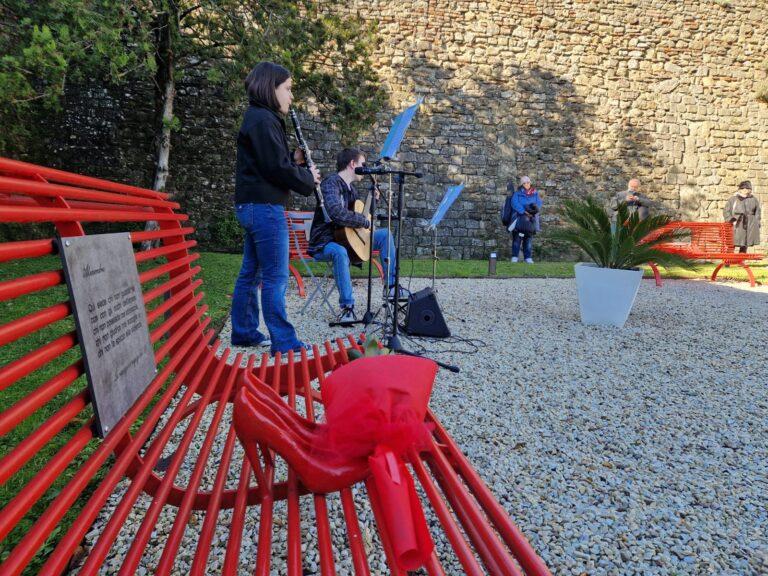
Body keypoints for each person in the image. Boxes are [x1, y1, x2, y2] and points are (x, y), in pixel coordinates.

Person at [231, 61, 320, 355]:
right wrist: (308, 178)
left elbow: (270, 162)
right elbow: (275, 169)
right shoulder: (263, 120)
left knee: (251, 272)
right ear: (271, 88)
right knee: (275, 276)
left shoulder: (259, 117)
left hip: (253, 205)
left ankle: (244, 332)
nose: (291, 96)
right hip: (265, 207)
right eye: (288, 89)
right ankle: (284, 342)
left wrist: (295, 160)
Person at [308, 148, 404, 325]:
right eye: (362, 164)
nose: (365, 168)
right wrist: (363, 221)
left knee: (385, 234)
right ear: (352, 164)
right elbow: (336, 213)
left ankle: (391, 287)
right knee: (339, 252)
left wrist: (373, 201)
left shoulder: (351, 189)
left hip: (348, 240)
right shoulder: (330, 183)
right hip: (325, 242)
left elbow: (361, 216)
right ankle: (347, 307)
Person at [505, 176, 542, 263]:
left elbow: (539, 203)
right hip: (519, 218)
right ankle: (515, 256)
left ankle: (528, 257)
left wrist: (533, 211)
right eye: (524, 183)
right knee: (517, 238)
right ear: (521, 184)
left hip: (531, 219)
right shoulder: (517, 194)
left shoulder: (535, 193)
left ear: (530, 183)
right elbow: (514, 203)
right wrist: (524, 211)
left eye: (528, 182)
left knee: (528, 239)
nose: (526, 184)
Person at [724, 180, 761, 253]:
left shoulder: (753, 199)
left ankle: (741, 258)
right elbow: (726, 211)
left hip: (749, 224)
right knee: (732, 243)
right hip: (736, 223)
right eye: (744, 188)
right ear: (740, 189)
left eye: (748, 188)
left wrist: (756, 222)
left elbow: (757, 212)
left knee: (745, 244)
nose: (746, 190)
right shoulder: (733, 199)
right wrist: (731, 220)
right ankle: (728, 258)